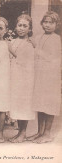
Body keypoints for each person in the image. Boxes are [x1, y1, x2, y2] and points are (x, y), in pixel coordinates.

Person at [27, 11, 61, 144]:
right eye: (45, 22)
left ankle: (47, 133)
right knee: (40, 103)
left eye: (50, 23)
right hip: (40, 75)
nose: (47, 25)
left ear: (56, 24)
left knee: (49, 104)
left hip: (50, 77)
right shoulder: (39, 36)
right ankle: (39, 131)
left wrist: (36, 48)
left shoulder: (56, 38)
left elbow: (52, 58)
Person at [8, 14, 35, 143]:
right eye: (19, 25)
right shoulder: (13, 41)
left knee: (24, 105)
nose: (21, 28)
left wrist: (10, 50)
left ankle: (23, 132)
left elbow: (24, 60)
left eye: (25, 26)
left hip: (25, 78)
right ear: (15, 27)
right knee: (17, 105)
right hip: (15, 77)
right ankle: (19, 131)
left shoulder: (30, 43)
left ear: (29, 29)